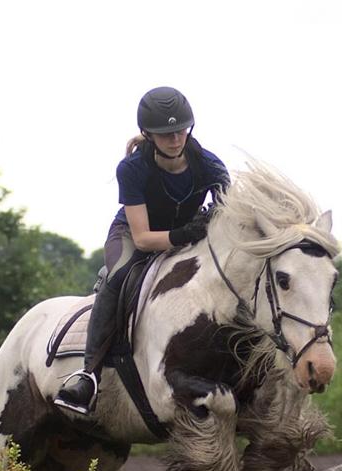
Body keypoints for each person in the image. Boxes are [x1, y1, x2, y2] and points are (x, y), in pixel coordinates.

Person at [54, 86, 230, 414]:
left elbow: (227, 213)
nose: (175, 139)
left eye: (180, 131)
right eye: (166, 134)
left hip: (187, 236)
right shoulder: (133, 169)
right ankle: (88, 375)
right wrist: (182, 233)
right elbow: (145, 238)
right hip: (133, 237)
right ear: (148, 135)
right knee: (116, 275)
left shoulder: (208, 164)